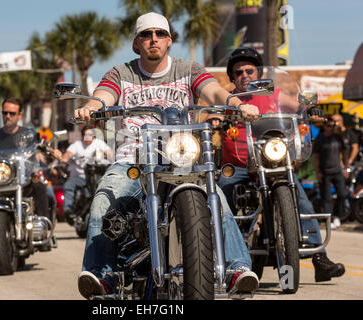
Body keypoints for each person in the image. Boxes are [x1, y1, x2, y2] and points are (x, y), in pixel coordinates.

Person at [74, 12, 262, 299]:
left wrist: (236, 103)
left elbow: (212, 92)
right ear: (136, 43)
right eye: (146, 34)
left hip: (183, 156)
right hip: (134, 158)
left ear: (169, 40)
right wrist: (91, 106)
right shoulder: (120, 73)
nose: (153, 39)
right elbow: (104, 96)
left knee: (217, 199)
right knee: (104, 198)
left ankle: (235, 269)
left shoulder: (188, 70)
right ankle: (103, 276)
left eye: (160, 34)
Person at [218, 47, 345, 283]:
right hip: (239, 165)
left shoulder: (273, 95)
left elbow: (298, 106)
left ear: (258, 72)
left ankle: (319, 258)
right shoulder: (229, 101)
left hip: (272, 160)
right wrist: (217, 120)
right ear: (232, 77)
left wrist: (311, 109)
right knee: (220, 199)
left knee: (300, 196)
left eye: (249, 70)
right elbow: (211, 118)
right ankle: (220, 258)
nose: (245, 75)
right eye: (238, 72)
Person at [0, 98, 60, 225]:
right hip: (0, 180)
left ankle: (45, 225)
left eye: (12, 113)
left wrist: (53, 152)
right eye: (5, 113)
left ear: (19, 115)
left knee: (40, 187)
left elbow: (42, 145)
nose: (8, 116)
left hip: (24, 180)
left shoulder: (29, 134)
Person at [58, 125, 112, 220]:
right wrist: (65, 158)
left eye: (90, 134)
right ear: (82, 136)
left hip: (96, 176)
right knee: (68, 185)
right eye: (85, 135)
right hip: (80, 177)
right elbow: (67, 154)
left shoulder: (99, 143)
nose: (88, 137)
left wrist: (104, 154)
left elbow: (110, 153)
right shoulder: (77, 145)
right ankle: (68, 210)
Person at [312, 117, 350, 230]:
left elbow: (344, 153)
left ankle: (337, 215)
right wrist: (317, 172)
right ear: (325, 126)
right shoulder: (320, 139)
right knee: (327, 198)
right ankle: (331, 220)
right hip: (325, 173)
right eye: (329, 126)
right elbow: (314, 157)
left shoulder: (338, 137)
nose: (331, 128)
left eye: (333, 126)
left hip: (338, 171)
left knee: (342, 194)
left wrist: (346, 167)